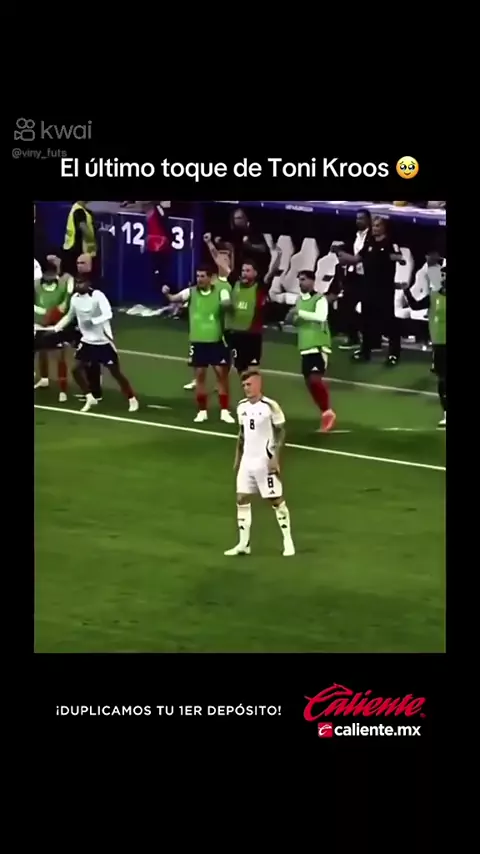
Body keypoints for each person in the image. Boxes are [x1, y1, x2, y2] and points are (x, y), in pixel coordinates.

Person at [225, 369, 295, 557]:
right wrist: (237, 457)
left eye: (249, 384)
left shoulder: (270, 406)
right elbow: (242, 434)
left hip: (265, 461)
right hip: (247, 461)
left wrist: (275, 457)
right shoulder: (241, 407)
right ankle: (243, 544)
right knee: (241, 498)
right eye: (243, 385)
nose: (246, 388)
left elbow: (281, 432)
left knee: (276, 499)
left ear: (258, 384)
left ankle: (288, 541)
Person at [46, 279, 138, 414]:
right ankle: (90, 397)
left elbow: (108, 314)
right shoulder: (75, 299)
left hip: (103, 342)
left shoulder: (98, 296)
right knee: (76, 370)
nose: (79, 286)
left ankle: (131, 398)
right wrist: (56, 328)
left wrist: (93, 321)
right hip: (87, 342)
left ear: (88, 284)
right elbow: (70, 315)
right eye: (77, 284)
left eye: (82, 283)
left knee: (116, 373)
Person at [162, 264, 235, 424]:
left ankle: (224, 411)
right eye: (198, 276)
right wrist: (166, 293)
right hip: (198, 342)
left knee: (221, 377)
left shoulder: (220, 291)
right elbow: (174, 299)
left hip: (216, 341)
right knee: (200, 377)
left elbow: (228, 304)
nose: (199, 279)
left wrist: (227, 305)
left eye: (202, 276)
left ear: (210, 278)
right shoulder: (191, 292)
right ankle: (202, 411)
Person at [335, 217, 405, 366]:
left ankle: (393, 354)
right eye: (373, 226)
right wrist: (342, 256)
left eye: (378, 226)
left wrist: (389, 257)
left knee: (389, 322)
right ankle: (365, 351)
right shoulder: (369, 243)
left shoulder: (390, 243)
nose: (375, 228)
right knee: (366, 321)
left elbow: (399, 257)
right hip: (368, 288)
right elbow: (357, 259)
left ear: (384, 228)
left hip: (384, 290)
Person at [289, 271, 336, 432]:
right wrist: (293, 319)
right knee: (310, 383)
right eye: (299, 280)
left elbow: (321, 317)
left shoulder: (320, 299)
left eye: (303, 279)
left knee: (315, 380)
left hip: (318, 345)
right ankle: (325, 412)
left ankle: (328, 412)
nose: (300, 283)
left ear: (312, 281)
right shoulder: (299, 300)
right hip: (305, 346)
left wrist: (299, 313)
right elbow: (298, 322)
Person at [403, 263, 446, 427]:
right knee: (443, 380)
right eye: (443, 275)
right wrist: (406, 291)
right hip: (439, 343)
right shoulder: (434, 296)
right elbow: (415, 306)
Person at [34, 265, 75, 401]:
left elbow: (63, 308)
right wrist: (39, 312)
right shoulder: (36, 286)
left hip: (56, 327)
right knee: (41, 353)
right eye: (47, 274)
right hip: (39, 325)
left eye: (52, 274)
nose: (49, 277)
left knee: (60, 357)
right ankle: (44, 379)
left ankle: (63, 390)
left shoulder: (62, 287)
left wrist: (52, 316)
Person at [225, 260, 270, 374]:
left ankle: (253, 386)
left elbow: (271, 272)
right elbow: (222, 266)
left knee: (253, 369)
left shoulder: (260, 288)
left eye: (248, 271)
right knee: (240, 369)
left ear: (255, 273)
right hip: (236, 334)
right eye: (243, 270)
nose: (244, 273)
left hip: (253, 335)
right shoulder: (235, 284)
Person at [338, 209, 371, 350]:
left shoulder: (371, 237)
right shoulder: (354, 235)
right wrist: (342, 254)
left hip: (368, 276)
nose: (358, 221)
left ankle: (370, 339)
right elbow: (345, 253)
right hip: (354, 275)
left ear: (368, 220)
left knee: (367, 309)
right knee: (346, 304)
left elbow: (359, 258)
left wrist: (347, 257)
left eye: (361, 218)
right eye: (357, 218)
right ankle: (353, 337)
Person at [215, 207, 269, 282]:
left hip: (255, 269)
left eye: (239, 218)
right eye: (235, 219)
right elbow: (229, 245)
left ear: (245, 218)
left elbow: (264, 248)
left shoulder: (254, 231)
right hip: (238, 271)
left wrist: (250, 246)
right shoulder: (234, 233)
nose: (237, 221)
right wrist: (219, 242)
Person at [62, 201, 98, 276]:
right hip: (76, 250)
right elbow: (83, 228)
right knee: (78, 276)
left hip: (69, 248)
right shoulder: (79, 211)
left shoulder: (76, 208)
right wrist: (93, 239)